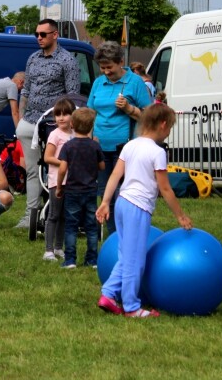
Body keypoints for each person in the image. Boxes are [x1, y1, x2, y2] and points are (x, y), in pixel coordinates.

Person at [97, 104, 193, 318]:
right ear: (162, 124)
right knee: (135, 259)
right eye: (170, 128)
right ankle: (131, 307)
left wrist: (105, 202)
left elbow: (114, 176)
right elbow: (165, 188)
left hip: (121, 203)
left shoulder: (130, 145)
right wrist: (180, 215)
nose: (169, 132)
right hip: (137, 208)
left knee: (126, 254)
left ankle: (108, 295)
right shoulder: (157, 152)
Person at [15, 19, 80, 229]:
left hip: (54, 123)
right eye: (37, 34)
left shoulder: (67, 60)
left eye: (43, 34)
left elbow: (72, 96)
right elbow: (26, 90)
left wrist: (65, 123)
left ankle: (59, 214)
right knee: (33, 171)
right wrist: (22, 117)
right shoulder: (33, 58)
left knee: (58, 171)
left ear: (55, 35)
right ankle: (30, 216)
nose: (39, 38)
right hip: (29, 121)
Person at [86, 41, 153, 233]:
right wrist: (89, 139)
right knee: (104, 192)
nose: (106, 71)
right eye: (102, 67)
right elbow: (90, 113)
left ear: (121, 62)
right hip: (100, 146)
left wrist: (129, 109)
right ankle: (111, 233)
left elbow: (149, 117)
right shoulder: (99, 82)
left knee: (120, 193)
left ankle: (123, 231)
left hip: (124, 146)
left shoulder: (135, 82)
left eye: (110, 67)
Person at [55, 107, 105, 269]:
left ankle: (70, 260)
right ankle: (92, 260)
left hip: (72, 191)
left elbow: (62, 169)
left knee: (71, 226)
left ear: (72, 126)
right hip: (90, 190)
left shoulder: (68, 146)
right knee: (91, 226)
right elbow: (102, 166)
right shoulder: (95, 146)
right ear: (91, 127)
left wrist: (59, 186)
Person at [42, 97, 75, 261]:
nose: (61, 118)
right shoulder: (55, 135)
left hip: (71, 182)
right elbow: (47, 157)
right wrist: (64, 163)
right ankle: (48, 250)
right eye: (58, 115)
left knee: (64, 216)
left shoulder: (76, 135)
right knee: (54, 215)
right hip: (57, 181)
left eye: (65, 114)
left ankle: (58, 247)